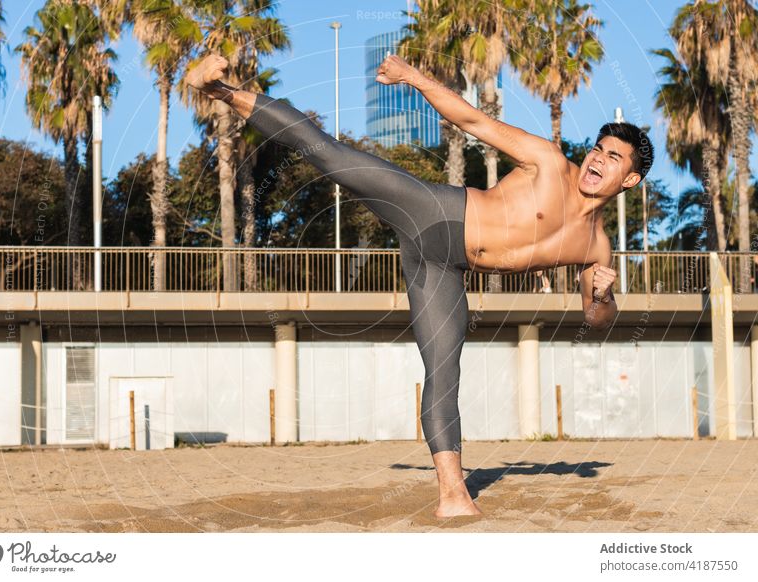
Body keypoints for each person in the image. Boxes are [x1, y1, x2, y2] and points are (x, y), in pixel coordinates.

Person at [185, 53, 653, 518]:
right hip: (435, 210)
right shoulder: (548, 161)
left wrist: (605, 294)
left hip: (443, 265)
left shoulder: (596, 247)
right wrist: (412, 77)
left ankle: (453, 495)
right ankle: (218, 90)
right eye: (598, 148)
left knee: (445, 370)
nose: (598, 159)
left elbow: (595, 319)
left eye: (614, 158)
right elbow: (471, 119)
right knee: (330, 155)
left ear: (629, 178)